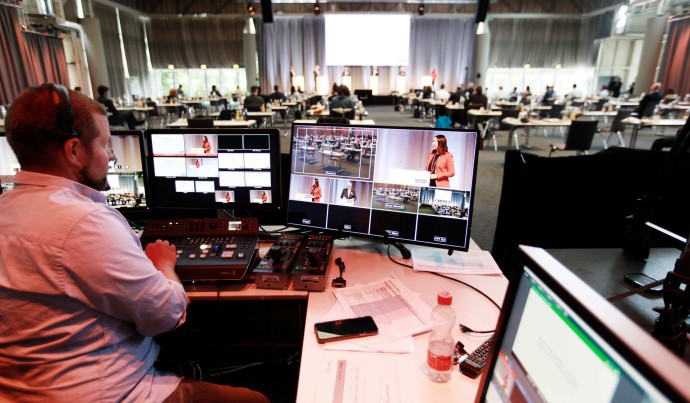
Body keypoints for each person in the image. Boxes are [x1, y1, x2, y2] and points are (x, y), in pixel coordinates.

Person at [0, 83, 269, 402]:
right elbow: (166, 315)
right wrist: (164, 266)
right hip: (108, 393)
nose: (111, 156)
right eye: (105, 144)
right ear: (74, 151)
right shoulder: (86, 223)